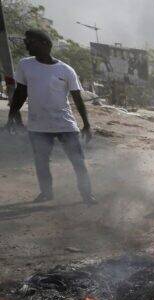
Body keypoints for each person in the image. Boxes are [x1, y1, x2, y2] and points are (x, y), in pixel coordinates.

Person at [6, 29, 97, 204]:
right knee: (41, 162)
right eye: (26, 42)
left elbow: (77, 99)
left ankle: (87, 194)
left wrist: (86, 124)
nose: (27, 46)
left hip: (65, 124)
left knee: (78, 161)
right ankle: (46, 193)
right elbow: (20, 93)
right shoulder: (25, 65)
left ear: (46, 44)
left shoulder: (66, 70)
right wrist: (11, 117)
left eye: (31, 42)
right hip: (38, 125)